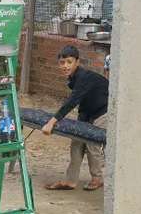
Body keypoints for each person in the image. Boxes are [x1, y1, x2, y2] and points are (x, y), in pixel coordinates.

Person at [42, 45, 109, 191]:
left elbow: (72, 102)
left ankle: (97, 178)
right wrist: (81, 120)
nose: (65, 66)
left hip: (104, 111)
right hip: (88, 112)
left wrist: (51, 122)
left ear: (77, 62)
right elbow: (83, 100)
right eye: (62, 62)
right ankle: (70, 181)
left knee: (92, 142)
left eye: (69, 62)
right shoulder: (73, 79)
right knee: (77, 142)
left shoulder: (83, 77)